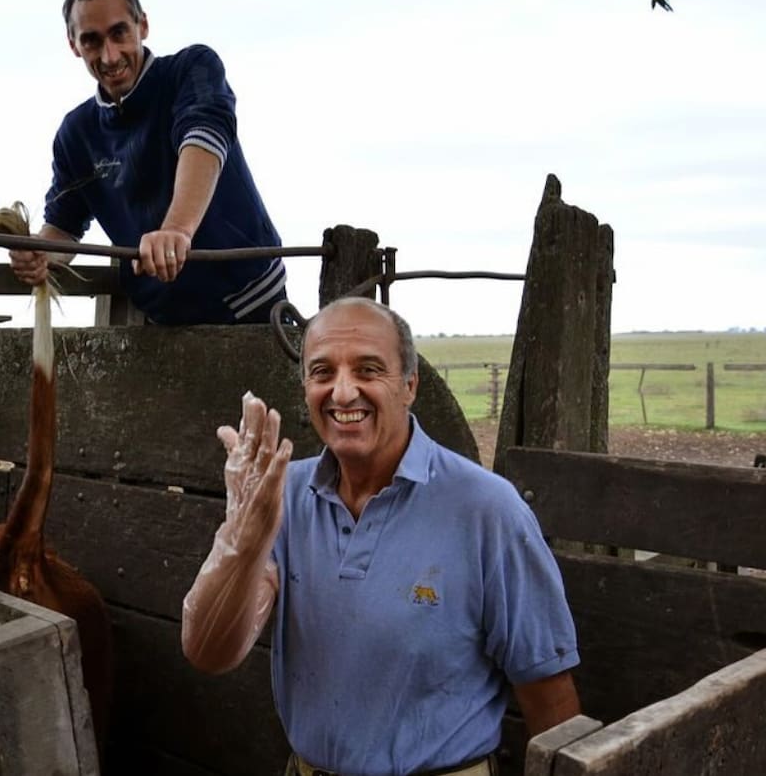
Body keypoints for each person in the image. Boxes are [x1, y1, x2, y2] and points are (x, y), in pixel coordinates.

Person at [181, 297, 581, 776]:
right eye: (322, 372)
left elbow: (550, 699)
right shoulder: (280, 494)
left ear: (409, 385)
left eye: (368, 370)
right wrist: (243, 542)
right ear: (306, 387)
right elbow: (210, 652)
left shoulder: (487, 510)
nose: (343, 392)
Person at [6, 0, 287, 325]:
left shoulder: (192, 69)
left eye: (119, 33)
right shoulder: (75, 133)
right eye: (91, 41)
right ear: (74, 45)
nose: (109, 56)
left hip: (250, 303)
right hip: (162, 324)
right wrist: (41, 254)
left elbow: (204, 136)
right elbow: (64, 225)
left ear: (143, 25)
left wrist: (177, 230)